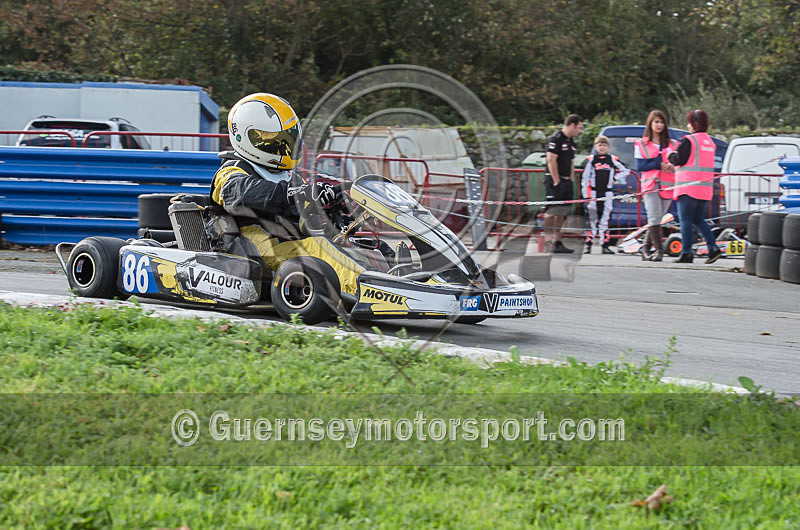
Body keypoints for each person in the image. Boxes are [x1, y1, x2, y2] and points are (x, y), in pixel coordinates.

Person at [209, 93, 335, 246]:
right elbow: (241, 194)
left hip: (291, 250)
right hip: (255, 251)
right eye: (272, 140)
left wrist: (333, 218)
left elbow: (308, 219)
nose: (284, 147)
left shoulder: (290, 178)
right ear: (245, 138)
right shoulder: (230, 173)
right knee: (322, 251)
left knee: (349, 249)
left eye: (288, 140)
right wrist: (292, 193)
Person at [668, 109, 723, 264]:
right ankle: (713, 248)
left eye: (689, 123)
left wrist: (669, 155)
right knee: (699, 219)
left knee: (685, 220)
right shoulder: (709, 142)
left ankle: (686, 252)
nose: (687, 125)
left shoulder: (689, 140)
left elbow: (678, 159)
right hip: (704, 188)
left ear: (694, 124)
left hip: (688, 186)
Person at [634, 110, 679, 261]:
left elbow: (677, 161)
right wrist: (658, 165)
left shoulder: (673, 144)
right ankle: (659, 251)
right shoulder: (642, 143)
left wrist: (672, 166)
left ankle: (645, 249)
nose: (659, 125)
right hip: (650, 184)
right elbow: (640, 165)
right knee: (654, 217)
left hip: (668, 184)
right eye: (656, 122)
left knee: (658, 219)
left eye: (661, 122)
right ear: (650, 124)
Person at [581, 135, 630, 254]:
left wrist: (615, 178)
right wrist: (586, 195)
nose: (602, 147)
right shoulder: (591, 160)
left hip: (607, 193)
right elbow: (585, 178)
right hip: (593, 192)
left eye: (604, 145)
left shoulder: (612, 159)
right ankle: (588, 244)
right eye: (599, 145)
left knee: (605, 220)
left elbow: (626, 171)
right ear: (595, 146)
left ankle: (604, 245)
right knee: (592, 220)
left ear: (608, 147)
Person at [544, 114, 583, 253]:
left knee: (562, 211)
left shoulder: (571, 142)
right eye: (579, 128)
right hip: (555, 179)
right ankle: (547, 241)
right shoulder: (556, 138)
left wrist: (571, 180)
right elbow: (551, 160)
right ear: (572, 125)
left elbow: (571, 162)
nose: (580, 131)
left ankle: (557, 241)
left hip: (567, 180)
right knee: (552, 211)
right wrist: (556, 180)